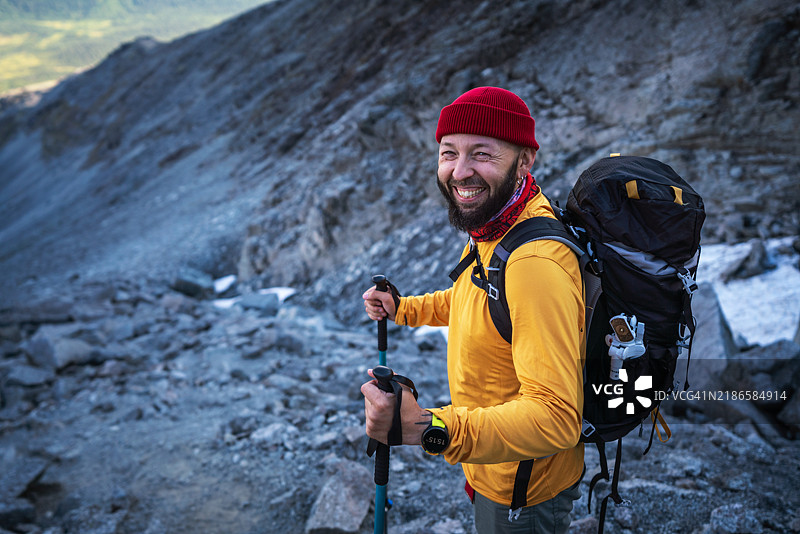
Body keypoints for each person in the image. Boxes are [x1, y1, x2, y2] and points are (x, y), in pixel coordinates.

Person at [361, 86, 585, 533]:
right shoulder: (497, 227)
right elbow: (478, 301)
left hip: (523, 490)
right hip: (494, 463)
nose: (460, 172)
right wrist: (404, 308)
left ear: (525, 160)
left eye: (481, 153)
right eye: (449, 153)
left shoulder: (533, 262)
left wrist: (430, 425)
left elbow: (558, 419)